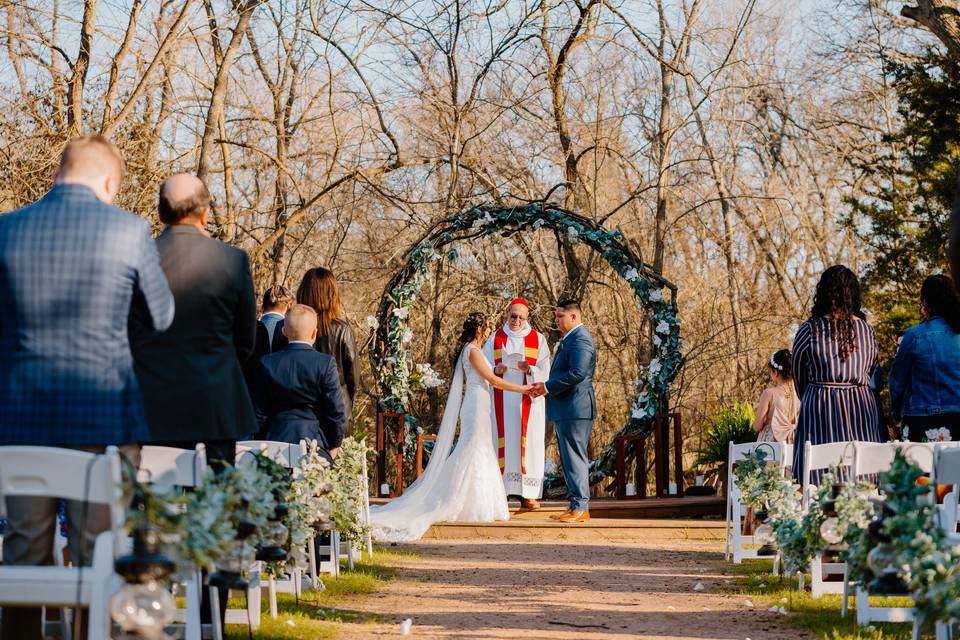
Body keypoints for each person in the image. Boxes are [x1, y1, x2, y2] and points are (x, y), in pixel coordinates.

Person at [0, 136, 174, 640]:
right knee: (96, 545)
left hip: (19, 416)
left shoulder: (7, 229)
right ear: (109, 183)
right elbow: (160, 317)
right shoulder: (129, 230)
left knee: (24, 549)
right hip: (104, 415)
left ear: (57, 175)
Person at [129, 173, 257, 631]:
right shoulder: (233, 261)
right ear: (205, 212)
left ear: (160, 214)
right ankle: (210, 622)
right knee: (216, 516)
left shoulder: (137, 258)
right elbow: (246, 342)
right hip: (214, 408)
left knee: (149, 520)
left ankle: (148, 616)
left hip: (147, 412)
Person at [369, 312, 532, 541]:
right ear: (478, 329)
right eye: (486, 328)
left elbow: (489, 375)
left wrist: (497, 370)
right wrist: (523, 389)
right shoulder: (473, 350)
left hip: (481, 404)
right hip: (475, 406)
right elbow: (492, 382)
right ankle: (455, 499)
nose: (487, 333)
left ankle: (479, 502)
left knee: (480, 450)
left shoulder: (474, 351)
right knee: (470, 450)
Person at [791, 265, 883, 480]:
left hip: (820, 406)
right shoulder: (867, 331)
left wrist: (816, 391)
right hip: (861, 407)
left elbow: (799, 375)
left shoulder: (809, 329)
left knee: (818, 473)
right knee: (860, 474)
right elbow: (873, 373)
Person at [530, 298, 597, 523]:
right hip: (566, 408)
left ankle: (581, 507)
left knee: (575, 457)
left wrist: (547, 387)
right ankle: (574, 505)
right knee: (568, 459)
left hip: (576, 408)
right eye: (556, 315)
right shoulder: (570, 339)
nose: (556, 320)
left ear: (574, 317)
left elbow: (578, 373)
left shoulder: (580, 339)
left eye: (560, 316)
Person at [481, 298, 551, 509]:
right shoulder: (494, 339)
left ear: (527, 318)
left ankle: (528, 495)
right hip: (500, 403)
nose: (517, 321)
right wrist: (495, 370)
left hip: (528, 403)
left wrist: (529, 368)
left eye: (521, 317)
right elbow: (482, 366)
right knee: (500, 443)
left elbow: (546, 371)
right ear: (507, 314)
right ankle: (500, 492)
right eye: (513, 316)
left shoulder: (538, 340)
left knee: (528, 446)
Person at [255, 304, 346, 463]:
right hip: (315, 443)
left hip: (274, 443)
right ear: (314, 333)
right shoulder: (325, 364)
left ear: (284, 332)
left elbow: (259, 412)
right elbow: (336, 410)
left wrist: (260, 441)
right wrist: (335, 445)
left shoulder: (267, 363)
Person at [273, 268, 358, 436]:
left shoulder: (284, 326)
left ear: (303, 291)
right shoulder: (343, 330)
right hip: (336, 417)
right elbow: (353, 378)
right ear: (332, 294)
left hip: (291, 420)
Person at [888, 274, 960, 442]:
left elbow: (897, 381)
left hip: (923, 422)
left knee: (922, 468)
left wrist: (895, 413)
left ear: (926, 302)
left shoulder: (914, 336)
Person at [753, 349, 799, 443]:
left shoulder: (769, 393)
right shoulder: (799, 394)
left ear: (776, 372)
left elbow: (757, 426)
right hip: (793, 443)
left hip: (772, 445)